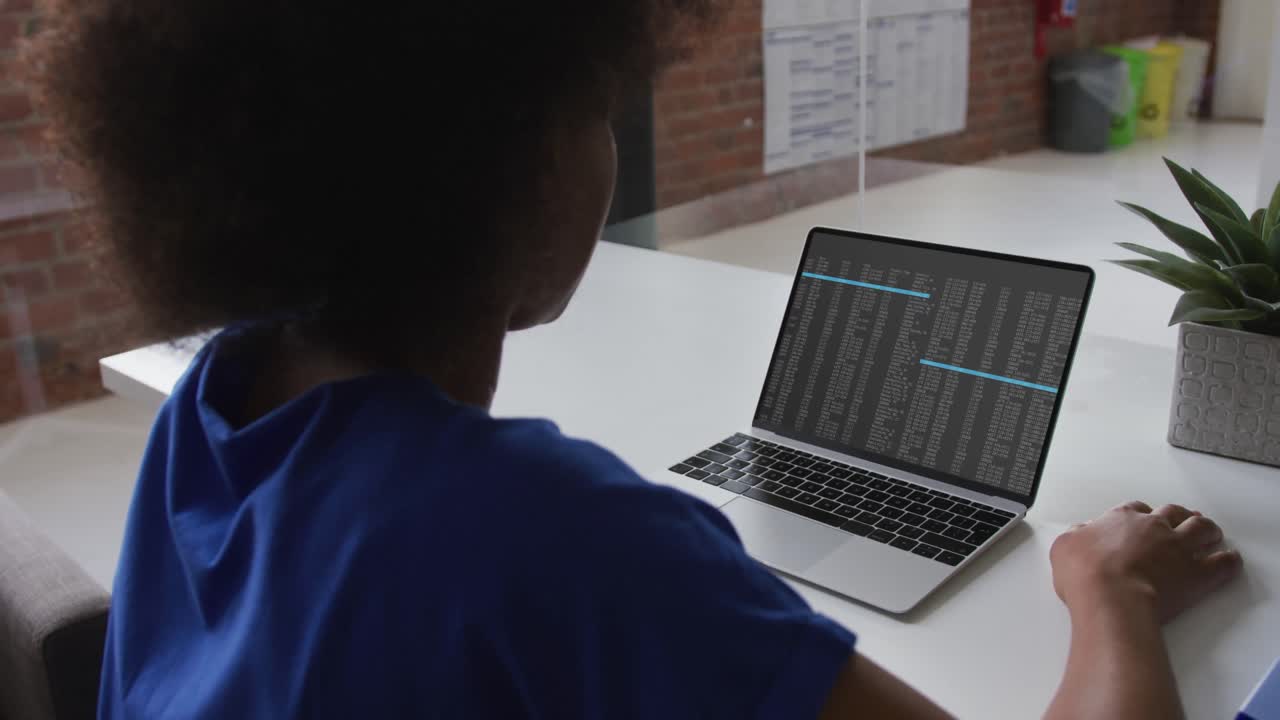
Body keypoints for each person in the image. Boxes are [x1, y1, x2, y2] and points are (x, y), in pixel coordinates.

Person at [32, 2, 1242, 718]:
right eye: (593, 110)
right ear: (505, 165)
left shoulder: (215, 400)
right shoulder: (547, 529)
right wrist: (1108, 588)